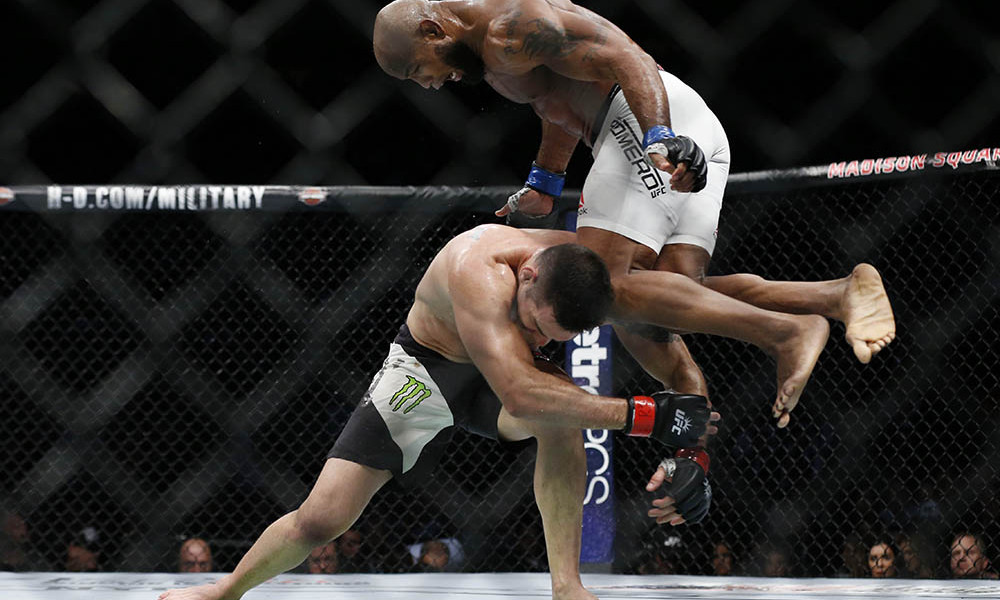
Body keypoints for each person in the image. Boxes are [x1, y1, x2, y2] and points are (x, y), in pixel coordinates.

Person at [372, 0, 896, 525]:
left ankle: (784, 333)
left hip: (640, 121)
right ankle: (830, 296)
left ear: (431, 28)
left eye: (419, 69)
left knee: (606, 288)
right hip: (686, 125)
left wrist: (658, 136)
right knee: (659, 308)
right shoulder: (502, 47)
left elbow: (624, 56)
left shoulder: (509, 29)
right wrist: (545, 182)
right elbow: (553, 98)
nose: (428, 85)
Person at [158, 224, 714, 600]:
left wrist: (694, 448)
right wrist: (645, 416)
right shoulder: (478, 264)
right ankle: (223, 592)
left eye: (551, 336)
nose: (536, 335)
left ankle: (567, 587)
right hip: (428, 372)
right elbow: (521, 393)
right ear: (527, 276)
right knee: (324, 518)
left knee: (562, 421)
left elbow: (670, 334)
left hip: (498, 381)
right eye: (536, 323)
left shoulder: (586, 269)